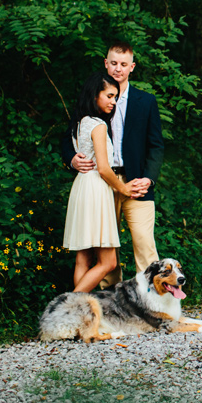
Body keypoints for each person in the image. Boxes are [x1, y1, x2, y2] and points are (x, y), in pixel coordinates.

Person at [61, 41, 165, 287]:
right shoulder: (93, 100)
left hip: (136, 182)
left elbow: (156, 145)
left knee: (144, 243)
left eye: (124, 64)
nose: (118, 69)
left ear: (132, 67)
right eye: (114, 63)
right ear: (106, 64)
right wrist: (72, 159)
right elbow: (68, 137)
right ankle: (111, 305)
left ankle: (155, 304)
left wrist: (148, 178)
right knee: (106, 251)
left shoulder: (145, 101)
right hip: (102, 183)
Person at [62, 72, 140, 292]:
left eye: (115, 97)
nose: (113, 101)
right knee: (109, 262)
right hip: (96, 188)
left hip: (82, 186)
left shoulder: (80, 123)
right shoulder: (98, 125)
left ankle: (76, 314)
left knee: (83, 259)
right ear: (95, 95)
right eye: (109, 96)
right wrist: (123, 188)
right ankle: (70, 305)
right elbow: (104, 168)